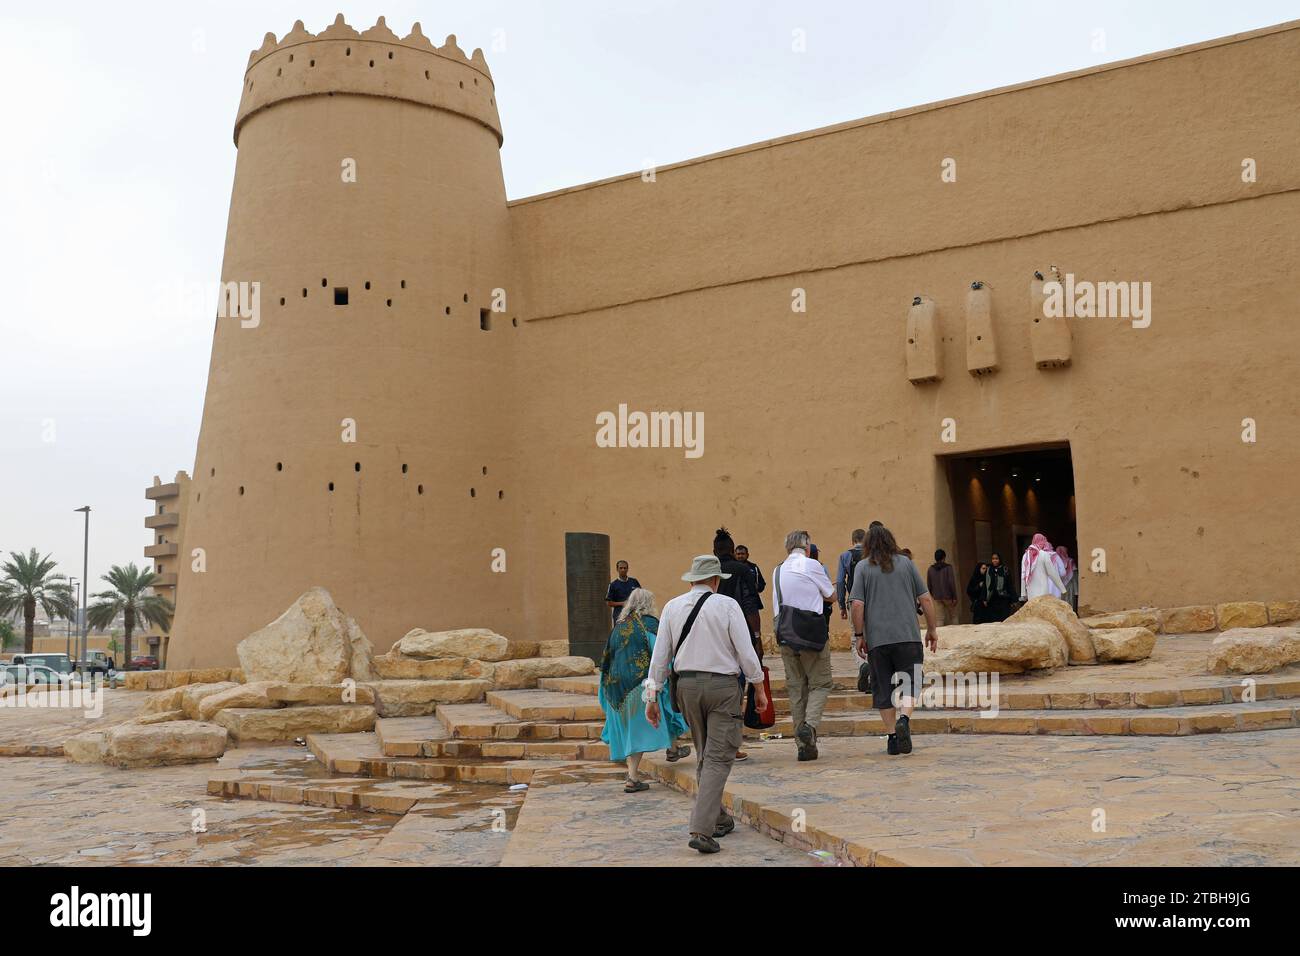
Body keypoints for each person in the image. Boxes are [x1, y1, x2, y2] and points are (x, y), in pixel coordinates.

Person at [645, 555, 767, 855]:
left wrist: (652, 696)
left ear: (691, 580)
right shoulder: (727, 606)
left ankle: (720, 817)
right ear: (716, 581)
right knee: (718, 757)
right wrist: (759, 686)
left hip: (686, 688)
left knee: (705, 753)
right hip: (722, 688)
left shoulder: (672, 607)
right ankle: (702, 828)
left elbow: (659, 657)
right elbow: (746, 652)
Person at [850, 524, 939, 756]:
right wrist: (931, 629)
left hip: (878, 640)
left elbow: (857, 604)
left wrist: (859, 635)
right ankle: (904, 720)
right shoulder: (906, 564)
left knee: (882, 688)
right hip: (908, 636)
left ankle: (891, 737)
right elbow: (926, 599)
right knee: (912, 681)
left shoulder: (862, 567)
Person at [599, 588, 690, 792]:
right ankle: (632, 777)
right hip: (641, 687)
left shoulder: (618, 627)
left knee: (658, 712)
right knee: (641, 728)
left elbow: (606, 660)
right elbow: (661, 656)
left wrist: (604, 689)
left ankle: (673, 748)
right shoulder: (650, 625)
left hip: (615, 687)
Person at [772, 531, 835, 761]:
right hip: (810, 632)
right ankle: (809, 725)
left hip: (784, 631)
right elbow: (831, 595)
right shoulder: (812, 565)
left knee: (796, 688)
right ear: (807, 548)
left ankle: (803, 746)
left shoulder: (778, 569)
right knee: (821, 683)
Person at [733, 544, 767, 651]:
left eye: (742, 554)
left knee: (755, 634)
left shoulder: (754, 568)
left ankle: (759, 661)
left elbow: (762, 584)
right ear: (734, 555)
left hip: (751, 606)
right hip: (736, 606)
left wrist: (757, 587)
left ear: (747, 555)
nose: (740, 556)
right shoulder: (732, 568)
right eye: (738, 554)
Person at [1021, 533, 1067, 601]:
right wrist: (1063, 589)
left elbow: (1023, 575)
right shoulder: (1044, 555)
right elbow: (1052, 573)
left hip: (1031, 592)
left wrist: (1023, 593)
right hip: (1043, 591)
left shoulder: (1026, 556)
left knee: (1034, 610)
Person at [835, 529, 867, 622]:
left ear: (852, 541)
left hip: (853, 599)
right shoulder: (872, 555)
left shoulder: (845, 556)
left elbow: (840, 582)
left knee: (855, 634)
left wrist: (842, 606)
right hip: (871, 600)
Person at [926, 549, 959, 626]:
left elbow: (929, 584)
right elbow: (951, 583)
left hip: (937, 596)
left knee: (940, 618)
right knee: (953, 616)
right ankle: (956, 633)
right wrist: (954, 597)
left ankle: (940, 636)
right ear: (944, 557)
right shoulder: (948, 568)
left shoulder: (930, 569)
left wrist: (933, 594)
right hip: (948, 596)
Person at [605, 560, 641, 626]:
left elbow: (641, 596)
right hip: (619, 615)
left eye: (625, 568)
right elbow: (609, 603)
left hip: (633, 613)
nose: (623, 570)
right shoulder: (613, 585)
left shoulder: (634, 582)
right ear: (617, 569)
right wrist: (623, 603)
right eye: (621, 568)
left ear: (627, 569)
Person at [985, 552, 1015, 621]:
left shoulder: (1005, 570)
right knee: (994, 621)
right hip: (992, 599)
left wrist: (1014, 599)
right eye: (993, 559)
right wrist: (984, 598)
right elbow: (986, 585)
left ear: (1000, 559)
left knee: (1004, 620)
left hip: (1003, 599)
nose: (994, 560)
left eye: (996, 559)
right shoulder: (989, 570)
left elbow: (1009, 585)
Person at [1056, 545, 1078, 611]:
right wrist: (1076, 590)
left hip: (1058, 585)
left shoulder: (1054, 562)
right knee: (1069, 600)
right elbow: (1074, 575)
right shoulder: (1071, 561)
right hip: (1069, 585)